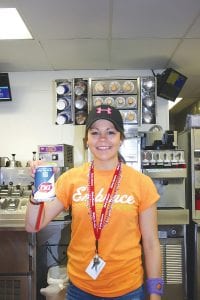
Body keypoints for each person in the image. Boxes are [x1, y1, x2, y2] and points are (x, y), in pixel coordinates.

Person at [25, 104, 163, 300]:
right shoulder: (71, 179)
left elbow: (151, 244)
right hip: (80, 289)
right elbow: (33, 225)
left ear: (121, 138)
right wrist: (38, 190)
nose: (103, 139)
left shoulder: (141, 183)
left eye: (111, 132)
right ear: (87, 140)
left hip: (128, 290)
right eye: (95, 132)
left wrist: (155, 293)